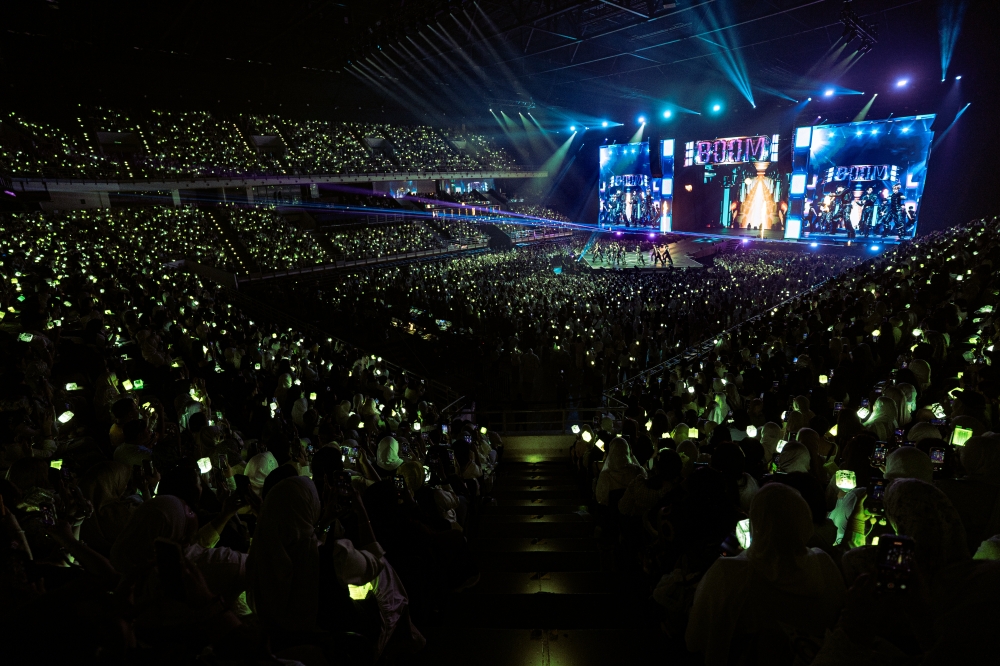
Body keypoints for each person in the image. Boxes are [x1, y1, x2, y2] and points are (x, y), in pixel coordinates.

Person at [686, 483, 845, 665]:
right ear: (805, 521)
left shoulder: (729, 572)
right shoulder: (824, 564)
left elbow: (694, 638)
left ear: (756, 522)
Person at [596, 437, 646, 507]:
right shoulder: (637, 471)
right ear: (627, 451)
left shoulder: (605, 476)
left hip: (612, 515)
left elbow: (601, 499)